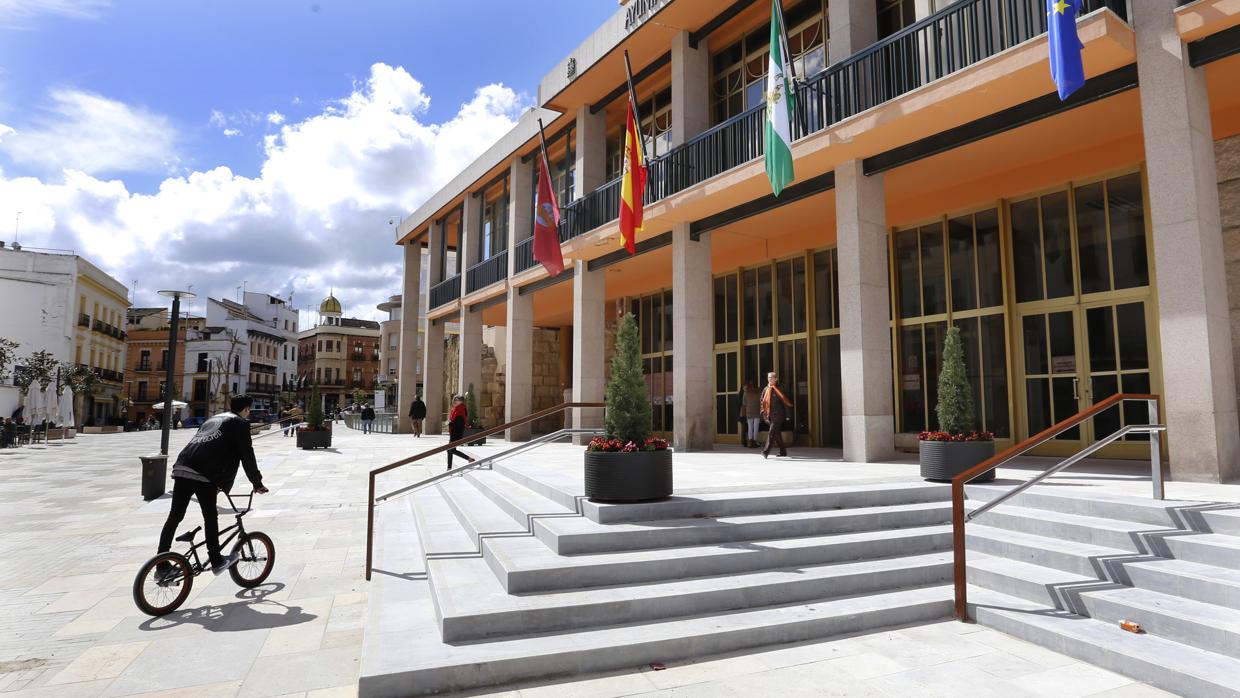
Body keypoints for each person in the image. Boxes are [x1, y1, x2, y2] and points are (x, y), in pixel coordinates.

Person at [156, 395, 269, 576]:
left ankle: (160, 564)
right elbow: (247, 454)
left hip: (182, 467)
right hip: (204, 474)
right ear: (246, 410)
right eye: (248, 411)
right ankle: (216, 560)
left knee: (175, 516)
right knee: (210, 517)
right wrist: (257, 483)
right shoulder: (240, 423)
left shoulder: (214, 419)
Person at [760, 372, 793, 459]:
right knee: (776, 433)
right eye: (768, 377)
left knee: (771, 432)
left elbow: (785, 402)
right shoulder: (765, 389)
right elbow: (762, 402)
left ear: (776, 379)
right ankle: (783, 451)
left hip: (779, 414)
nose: (770, 379)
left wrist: (788, 414)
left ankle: (765, 451)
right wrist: (763, 413)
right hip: (769, 414)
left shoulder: (780, 388)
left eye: (771, 377)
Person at [446, 395, 475, 471]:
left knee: (450, 450)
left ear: (461, 401)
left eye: (458, 400)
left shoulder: (461, 409)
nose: (456, 401)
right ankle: (468, 459)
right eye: (455, 400)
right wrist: (451, 422)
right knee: (451, 450)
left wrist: (450, 423)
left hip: (457, 432)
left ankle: (449, 467)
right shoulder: (455, 409)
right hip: (454, 432)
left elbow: (459, 423)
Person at [739, 380, 762, 449]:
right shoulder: (759, 392)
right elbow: (761, 401)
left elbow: (744, 403)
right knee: (756, 428)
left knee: (750, 427)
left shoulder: (746, 392)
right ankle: (755, 442)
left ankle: (750, 442)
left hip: (749, 412)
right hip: (757, 411)